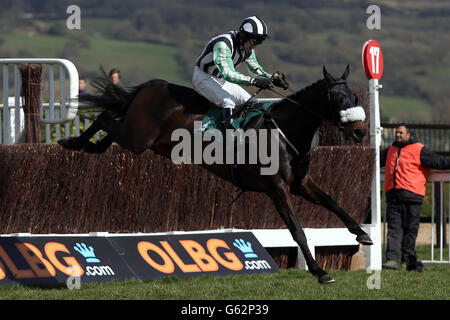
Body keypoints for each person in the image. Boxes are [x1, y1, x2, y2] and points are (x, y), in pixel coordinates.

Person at [193, 16, 288, 126]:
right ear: (244, 35)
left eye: (259, 42)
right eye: (254, 41)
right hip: (203, 77)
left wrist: (272, 79)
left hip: (221, 80)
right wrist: (254, 81)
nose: (255, 46)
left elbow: (256, 69)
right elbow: (228, 74)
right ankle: (228, 137)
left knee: (252, 103)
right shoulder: (223, 45)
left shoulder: (248, 50)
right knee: (228, 101)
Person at [381, 124, 450, 271]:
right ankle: (393, 260)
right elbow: (374, 160)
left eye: (401, 133)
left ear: (409, 135)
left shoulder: (419, 149)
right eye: (396, 132)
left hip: (412, 196)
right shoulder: (390, 151)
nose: (397, 135)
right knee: (394, 229)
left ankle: (407, 261)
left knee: (410, 230)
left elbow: (439, 162)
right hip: (393, 196)